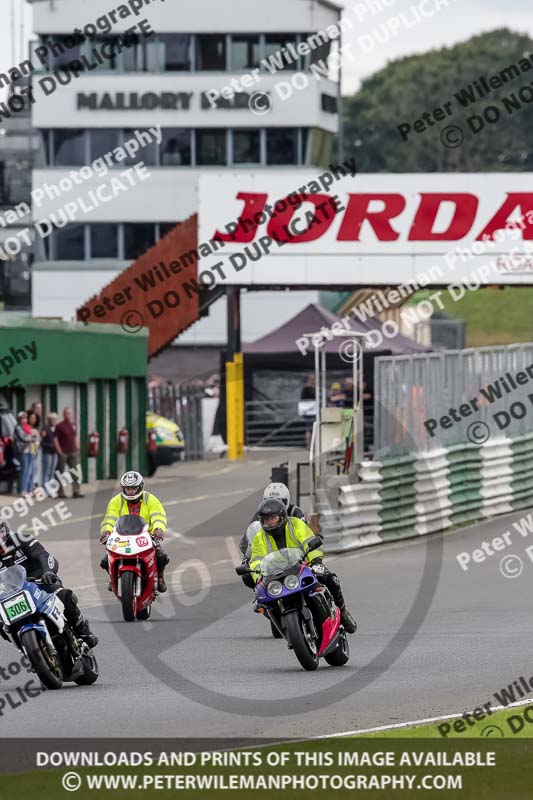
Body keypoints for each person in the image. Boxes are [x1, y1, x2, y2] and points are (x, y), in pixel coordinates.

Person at [248, 498, 357, 633]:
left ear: (282, 517)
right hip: (276, 573)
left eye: (272, 518)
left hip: (303, 566)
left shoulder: (296, 524)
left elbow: (309, 541)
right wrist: (258, 577)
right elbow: (256, 560)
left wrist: (315, 562)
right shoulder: (259, 537)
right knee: (262, 602)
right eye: (265, 519)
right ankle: (281, 625)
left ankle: (343, 612)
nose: (269, 522)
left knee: (330, 579)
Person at [0, 516, 98, 647]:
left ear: (6, 529)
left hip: (40, 582)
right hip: (10, 595)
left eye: (0, 531)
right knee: (2, 626)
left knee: (65, 596)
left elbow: (43, 555)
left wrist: (48, 572)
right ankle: (27, 650)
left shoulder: (22, 540)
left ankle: (83, 632)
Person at [99, 471, 169, 592]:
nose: (130, 491)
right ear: (123, 488)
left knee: (161, 557)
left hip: (147, 536)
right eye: (127, 488)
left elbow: (158, 516)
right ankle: (112, 577)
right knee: (105, 561)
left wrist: (158, 529)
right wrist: (106, 532)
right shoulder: (115, 501)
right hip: (122, 537)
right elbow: (109, 518)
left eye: (133, 488)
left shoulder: (150, 499)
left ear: (140, 487)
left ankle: (160, 577)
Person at [238, 483, 306, 590]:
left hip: (294, 554)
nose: (275, 505)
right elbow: (247, 541)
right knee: (247, 576)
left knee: (324, 575)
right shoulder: (260, 516)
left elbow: (305, 535)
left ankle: (332, 596)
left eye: (280, 501)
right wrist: (248, 557)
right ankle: (260, 593)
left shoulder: (295, 512)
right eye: (270, 500)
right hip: (270, 558)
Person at [54, 407, 83, 498]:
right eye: (66, 413)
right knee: (60, 472)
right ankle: (60, 492)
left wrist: (77, 447)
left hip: (73, 452)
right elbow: (55, 439)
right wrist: (59, 451)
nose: (68, 415)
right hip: (63, 452)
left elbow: (75, 437)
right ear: (63, 414)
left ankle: (76, 491)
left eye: (69, 413)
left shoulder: (73, 425)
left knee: (75, 471)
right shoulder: (59, 426)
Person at [14, 411, 32, 497]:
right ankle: (22, 491)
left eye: (26, 418)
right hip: (22, 451)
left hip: (29, 450)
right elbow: (24, 437)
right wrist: (32, 437)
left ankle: (26, 490)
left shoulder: (27, 427)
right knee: (24, 471)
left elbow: (34, 436)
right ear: (19, 419)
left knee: (28, 471)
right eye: (23, 418)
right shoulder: (18, 427)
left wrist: (32, 436)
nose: (25, 420)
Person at [41, 412, 58, 494]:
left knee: (53, 471)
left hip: (55, 452)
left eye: (54, 419)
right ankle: (46, 490)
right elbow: (42, 440)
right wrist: (49, 444)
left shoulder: (57, 429)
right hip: (47, 452)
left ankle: (52, 489)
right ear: (48, 420)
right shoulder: (45, 429)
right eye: (51, 419)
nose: (53, 421)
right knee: (46, 471)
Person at [26, 410, 41, 495]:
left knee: (33, 471)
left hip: (35, 452)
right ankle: (27, 489)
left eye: (34, 418)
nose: (33, 420)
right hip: (29, 452)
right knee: (28, 471)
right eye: (31, 418)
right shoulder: (27, 428)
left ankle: (31, 488)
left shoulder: (36, 429)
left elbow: (38, 440)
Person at [299, 374, 316, 448]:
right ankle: (309, 445)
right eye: (313, 379)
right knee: (310, 429)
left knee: (312, 429)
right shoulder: (307, 389)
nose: (314, 381)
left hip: (312, 411)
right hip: (309, 412)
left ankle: (311, 445)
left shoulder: (312, 388)